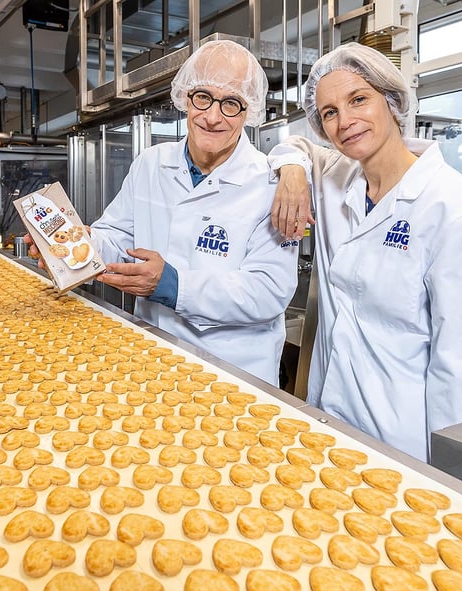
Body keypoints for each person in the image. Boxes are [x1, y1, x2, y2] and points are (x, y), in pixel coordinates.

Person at [268, 42, 462, 462]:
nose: (345, 121)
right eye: (329, 113)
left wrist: (460, 474)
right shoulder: (339, 179)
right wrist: (290, 172)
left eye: (358, 99)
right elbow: (295, 147)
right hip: (331, 426)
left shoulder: (458, 210)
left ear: (392, 100)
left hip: (406, 447)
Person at [27, 40, 298, 386]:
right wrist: (75, 244)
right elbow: (117, 237)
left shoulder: (271, 183)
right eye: (203, 97)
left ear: (249, 112)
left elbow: (268, 292)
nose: (212, 117)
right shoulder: (151, 164)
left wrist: (174, 285)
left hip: (233, 372)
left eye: (231, 103)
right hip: (152, 355)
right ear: (186, 97)